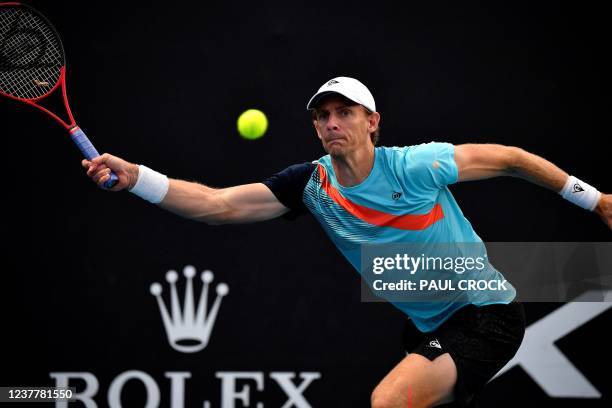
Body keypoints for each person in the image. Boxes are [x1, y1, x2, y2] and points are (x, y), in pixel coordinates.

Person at [82, 77, 611, 408]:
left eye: (344, 112)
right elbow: (219, 206)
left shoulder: (417, 165)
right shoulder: (310, 185)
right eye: (322, 115)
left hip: (487, 314)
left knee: (390, 401)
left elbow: (512, 159)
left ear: (372, 122)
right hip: (428, 325)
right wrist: (138, 178)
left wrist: (597, 201)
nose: (331, 123)